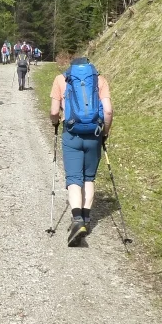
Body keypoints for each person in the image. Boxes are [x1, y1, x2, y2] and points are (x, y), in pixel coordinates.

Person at [49, 57, 113, 247]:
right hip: (94, 134)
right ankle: (85, 219)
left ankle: (77, 219)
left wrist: (55, 122)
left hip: (71, 134)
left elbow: (54, 112)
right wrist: (104, 133)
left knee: (74, 178)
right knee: (89, 178)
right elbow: (108, 111)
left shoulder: (61, 79)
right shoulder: (99, 80)